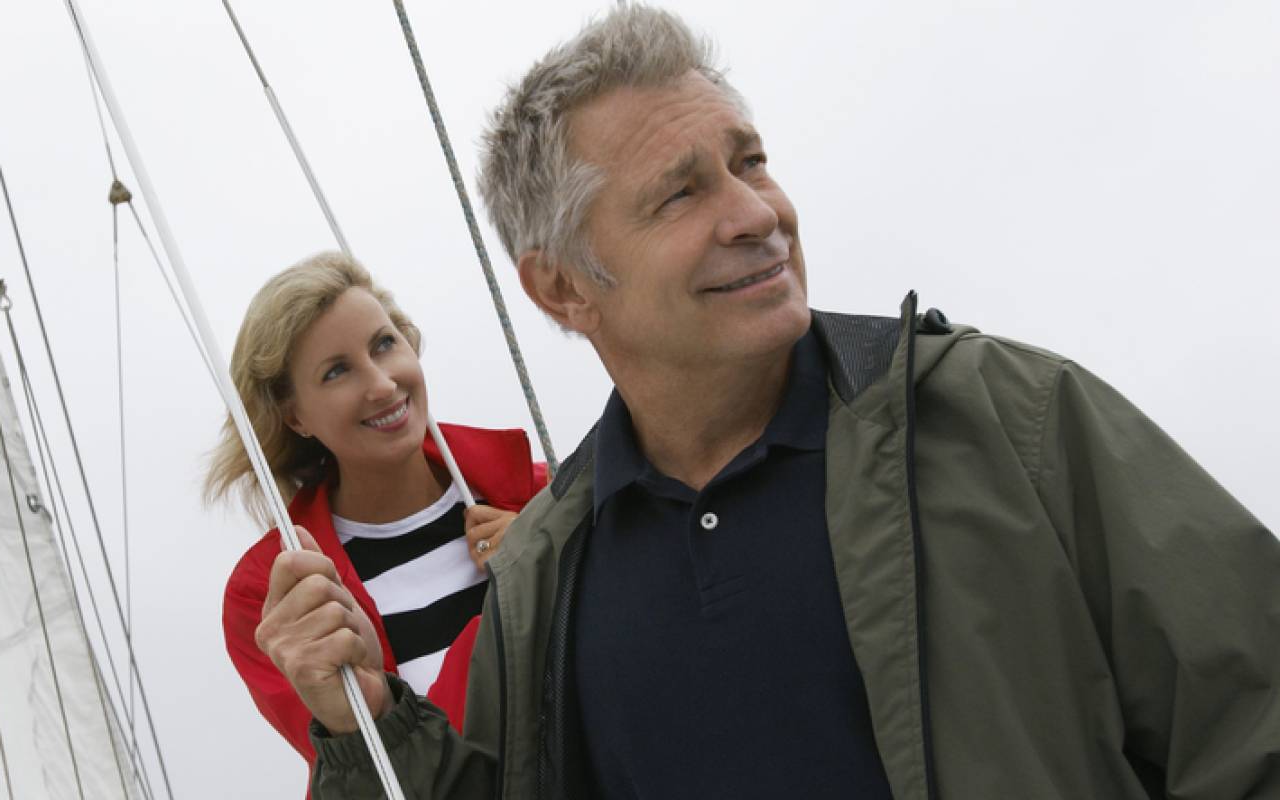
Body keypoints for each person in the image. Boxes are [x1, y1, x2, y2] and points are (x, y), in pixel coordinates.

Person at [258, 7, 1280, 799]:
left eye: (750, 162)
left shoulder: (1015, 420)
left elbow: (1253, 721)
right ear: (562, 285)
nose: (757, 214)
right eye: (682, 192)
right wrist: (364, 723)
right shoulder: (541, 579)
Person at [211, 252, 550, 772]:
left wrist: (551, 561)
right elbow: (363, 780)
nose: (382, 384)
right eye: (337, 370)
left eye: (384, 344)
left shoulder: (542, 499)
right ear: (294, 415)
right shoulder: (274, 597)